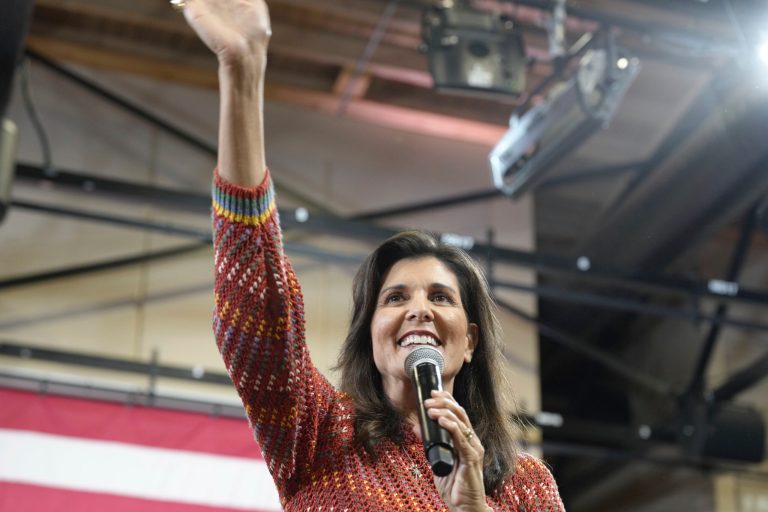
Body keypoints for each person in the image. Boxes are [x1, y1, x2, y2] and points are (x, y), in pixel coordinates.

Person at [181, 0, 565, 510]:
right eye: (395, 298)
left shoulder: (526, 487)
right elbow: (260, 318)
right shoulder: (320, 435)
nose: (418, 309)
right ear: (372, 331)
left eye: (441, 296)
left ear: (470, 340)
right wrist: (244, 71)